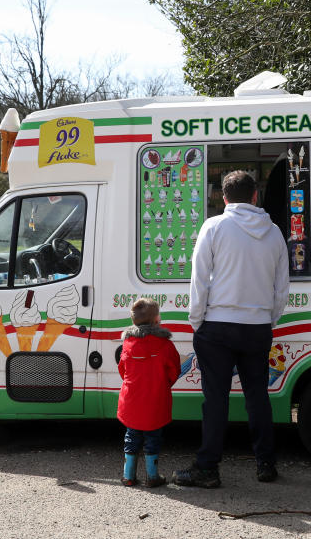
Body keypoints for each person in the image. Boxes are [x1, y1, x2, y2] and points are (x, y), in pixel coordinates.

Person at [175, 170, 290, 488]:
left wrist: (197, 321)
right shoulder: (274, 233)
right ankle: (266, 464)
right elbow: (282, 288)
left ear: (223, 198)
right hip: (257, 328)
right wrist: (269, 319)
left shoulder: (214, 226)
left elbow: (198, 280)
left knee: (216, 399)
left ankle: (208, 468)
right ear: (256, 196)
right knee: (257, 397)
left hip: (217, 327)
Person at [117, 297, 180, 487]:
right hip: (156, 400)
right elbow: (174, 370)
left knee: (131, 436)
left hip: (132, 400)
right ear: (157, 320)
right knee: (153, 438)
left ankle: (128, 475)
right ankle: (152, 477)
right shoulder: (165, 345)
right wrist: (162, 384)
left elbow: (122, 370)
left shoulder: (127, 344)